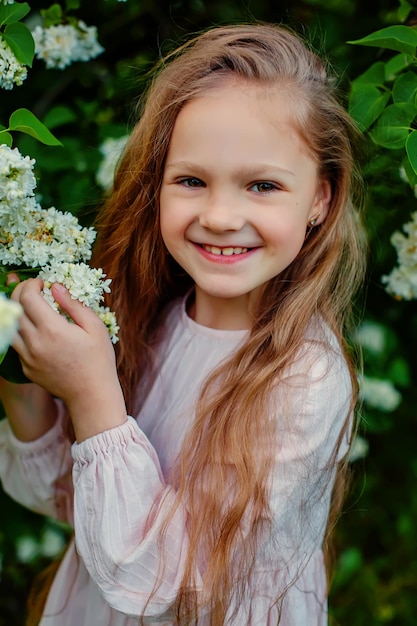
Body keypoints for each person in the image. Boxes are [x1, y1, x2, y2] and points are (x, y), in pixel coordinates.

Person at [0, 22, 366, 626]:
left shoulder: (303, 380)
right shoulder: (158, 318)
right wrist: (24, 372)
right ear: (158, 185)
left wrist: (92, 393)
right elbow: (76, 507)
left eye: (263, 185)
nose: (221, 216)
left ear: (321, 199)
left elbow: (163, 583)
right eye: (192, 181)